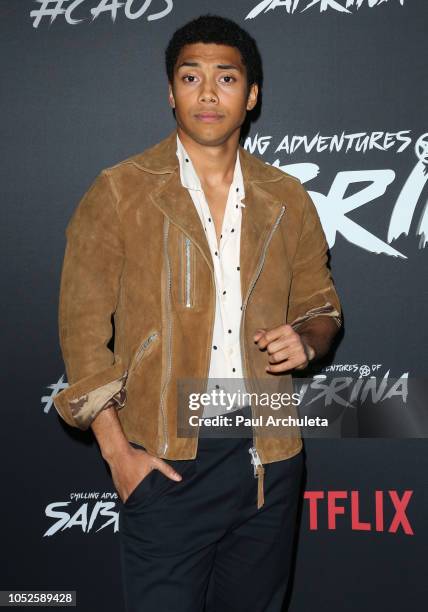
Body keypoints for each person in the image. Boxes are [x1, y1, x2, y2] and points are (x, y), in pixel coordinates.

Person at [52, 14, 342, 612]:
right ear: (171, 92)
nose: (208, 93)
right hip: (165, 459)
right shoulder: (118, 191)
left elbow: (321, 306)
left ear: (251, 94)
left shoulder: (287, 197)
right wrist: (118, 454)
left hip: (270, 454)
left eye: (226, 78)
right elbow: (82, 336)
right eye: (191, 77)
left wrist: (309, 342)